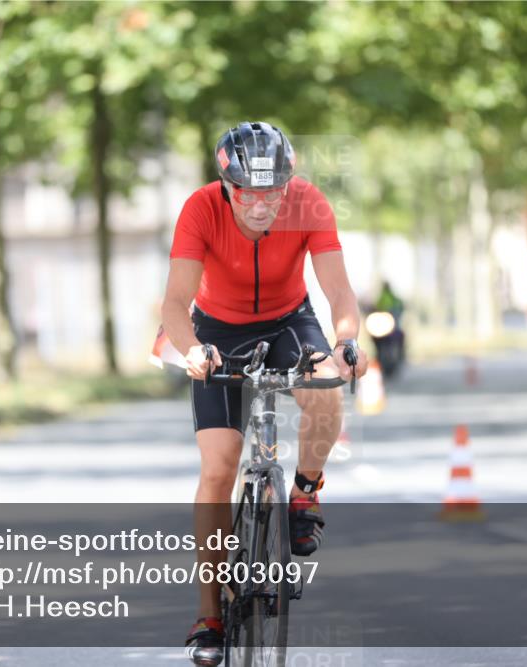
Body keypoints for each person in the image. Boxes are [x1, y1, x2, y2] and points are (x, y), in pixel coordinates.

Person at [160, 121, 368, 666]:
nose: (261, 205)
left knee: (326, 385)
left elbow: (340, 290)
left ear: (288, 183)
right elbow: (175, 305)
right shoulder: (200, 209)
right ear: (228, 187)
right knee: (218, 466)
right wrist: (192, 351)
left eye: (272, 192)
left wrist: (348, 343)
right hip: (217, 330)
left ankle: (303, 491)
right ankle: (208, 616)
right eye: (249, 194)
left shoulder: (309, 203)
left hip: (287, 321)